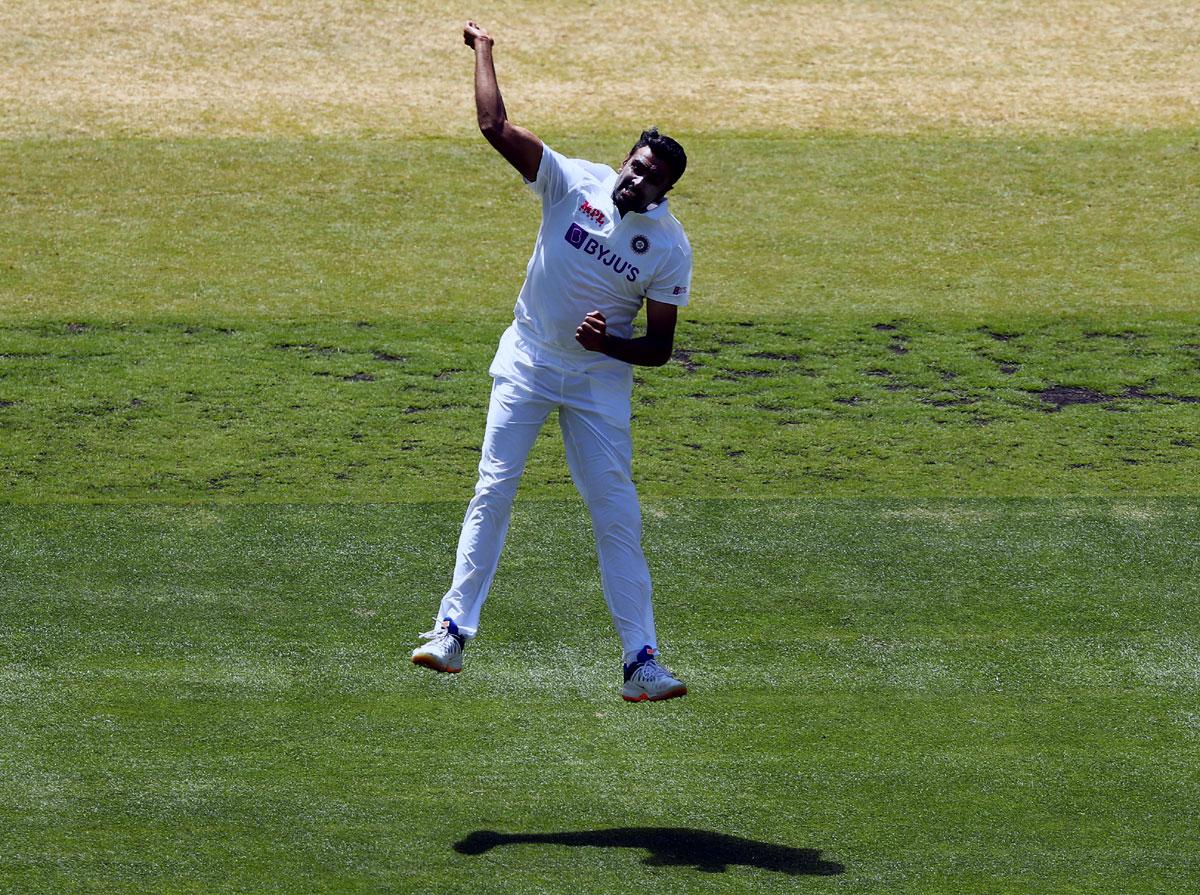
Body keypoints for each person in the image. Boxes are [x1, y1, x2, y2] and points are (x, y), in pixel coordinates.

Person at [411, 21, 693, 702]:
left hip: (598, 382)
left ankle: (642, 662)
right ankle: (451, 631)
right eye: (635, 164)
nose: (636, 179)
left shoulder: (670, 249)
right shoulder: (573, 184)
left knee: (616, 514)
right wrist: (484, 51)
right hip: (530, 360)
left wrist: (607, 346)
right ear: (624, 158)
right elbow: (492, 124)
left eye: (651, 178)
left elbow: (658, 348)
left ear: (664, 193)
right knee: (493, 487)